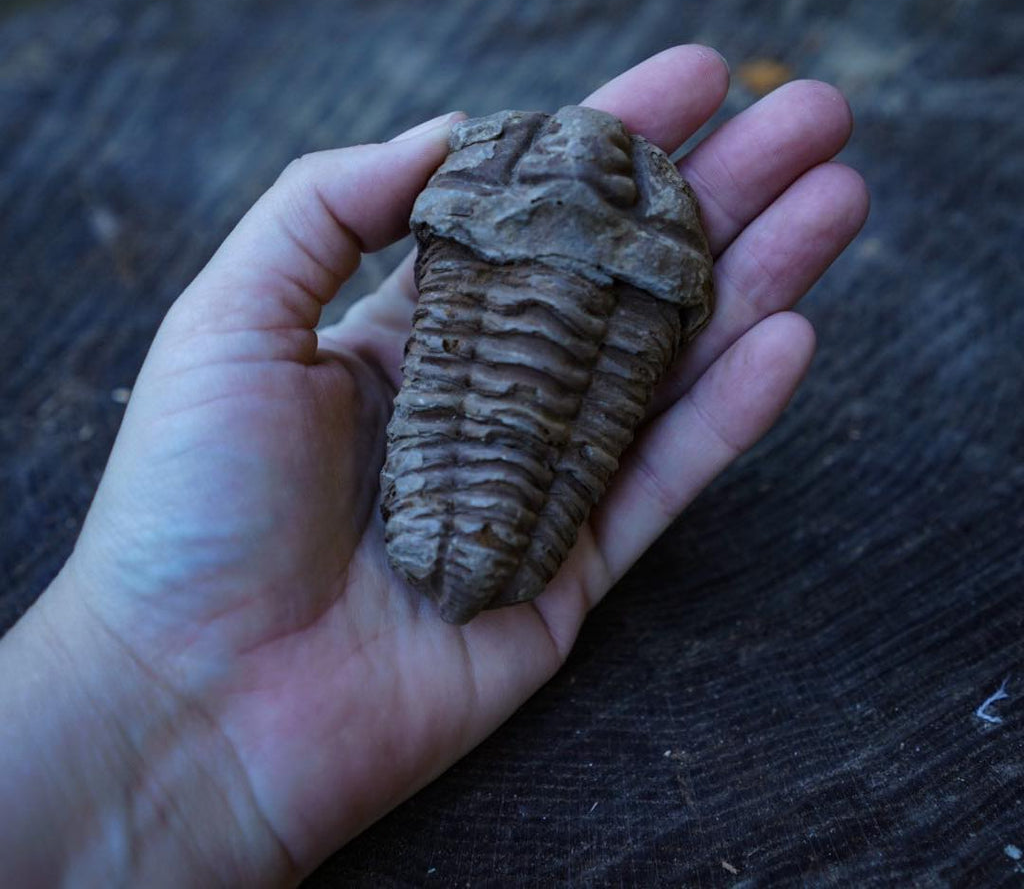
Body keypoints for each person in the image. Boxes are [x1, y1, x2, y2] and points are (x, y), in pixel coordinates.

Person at [0, 46, 868, 885]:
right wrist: (124, 674)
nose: (579, 166)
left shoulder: (526, 198)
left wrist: (122, 687)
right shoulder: (636, 221)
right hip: (438, 511)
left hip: (528, 510)